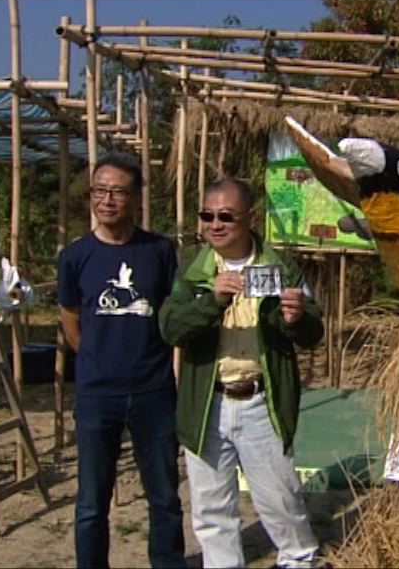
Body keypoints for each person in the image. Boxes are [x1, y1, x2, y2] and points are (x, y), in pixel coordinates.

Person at [158, 177, 323, 568]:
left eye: (226, 216)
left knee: (280, 499)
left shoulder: (280, 267)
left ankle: (299, 559)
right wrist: (211, 302)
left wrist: (296, 319)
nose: (215, 224)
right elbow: (170, 328)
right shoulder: (193, 271)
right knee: (211, 508)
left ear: (251, 217)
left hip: (261, 403)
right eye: (207, 216)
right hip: (207, 406)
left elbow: (312, 333)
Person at [58, 153, 185, 568]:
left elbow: (173, 314)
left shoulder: (160, 251)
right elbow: (71, 323)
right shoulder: (75, 256)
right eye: (100, 191)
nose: (107, 200)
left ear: (135, 198)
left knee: (164, 496)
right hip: (97, 395)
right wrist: (97, 361)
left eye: (118, 192)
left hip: (154, 390)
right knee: (91, 502)